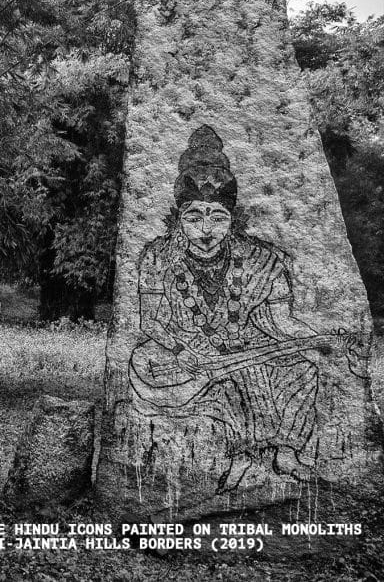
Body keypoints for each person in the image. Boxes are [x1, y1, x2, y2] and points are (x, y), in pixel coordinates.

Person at [129, 125, 332, 493]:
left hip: (243, 345)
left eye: (218, 217)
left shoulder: (263, 260)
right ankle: (242, 458)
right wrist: (183, 349)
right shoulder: (157, 257)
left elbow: (279, 322)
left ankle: (284, 453)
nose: (206, 229)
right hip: (178, 353)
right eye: (193, 218)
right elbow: (151, 321)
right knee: (224, 377)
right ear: (178, 219)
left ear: (232, 219)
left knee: (301, 369)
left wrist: (316, 338)